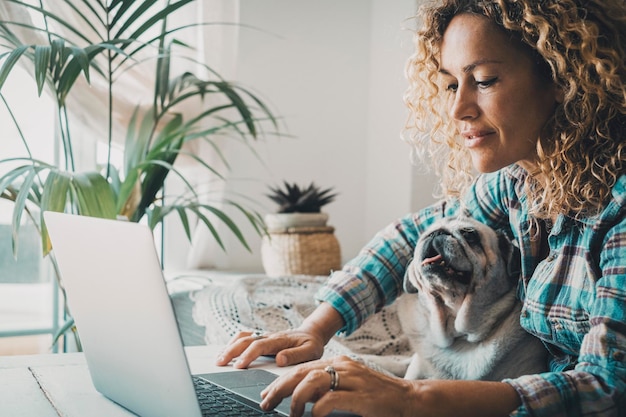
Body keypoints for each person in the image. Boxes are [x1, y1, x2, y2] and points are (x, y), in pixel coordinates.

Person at [216, 0, 626, 415]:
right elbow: (412, 237)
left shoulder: (619, 210)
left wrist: (412, 397)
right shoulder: (517, 182)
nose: (457, 109)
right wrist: (314, 329)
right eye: (451, 84)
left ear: (562, 78)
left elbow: (606, 388)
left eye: (483, 80)